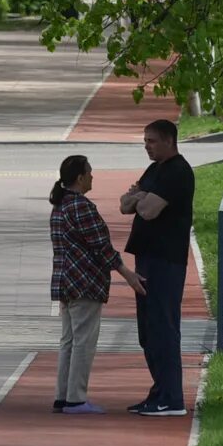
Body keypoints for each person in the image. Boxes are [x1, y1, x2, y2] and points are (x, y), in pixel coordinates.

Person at [50, 154, 144, 414]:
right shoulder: (82, 207)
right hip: (85, 282)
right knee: (84, 342)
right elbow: (101, 247)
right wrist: (127, 274)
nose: (93, 176)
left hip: (65, 282)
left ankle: (63, 396)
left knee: (68, 341)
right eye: (89, 172)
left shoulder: (59, 206)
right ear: (80, 177)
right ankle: (76, 399)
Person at [120, 119, 195, 416]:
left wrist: (140, 198)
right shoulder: (154, 171)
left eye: (151, 141)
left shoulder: (177, 172)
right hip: (146, 258)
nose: (147, 146)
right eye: (145, 141)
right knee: (148, 331)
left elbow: (148, 211)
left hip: (165, 260)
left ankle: (172, 398)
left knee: (163, 327)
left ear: (168, 140)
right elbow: (126, 204)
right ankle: (159, 390)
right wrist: (140, 197)